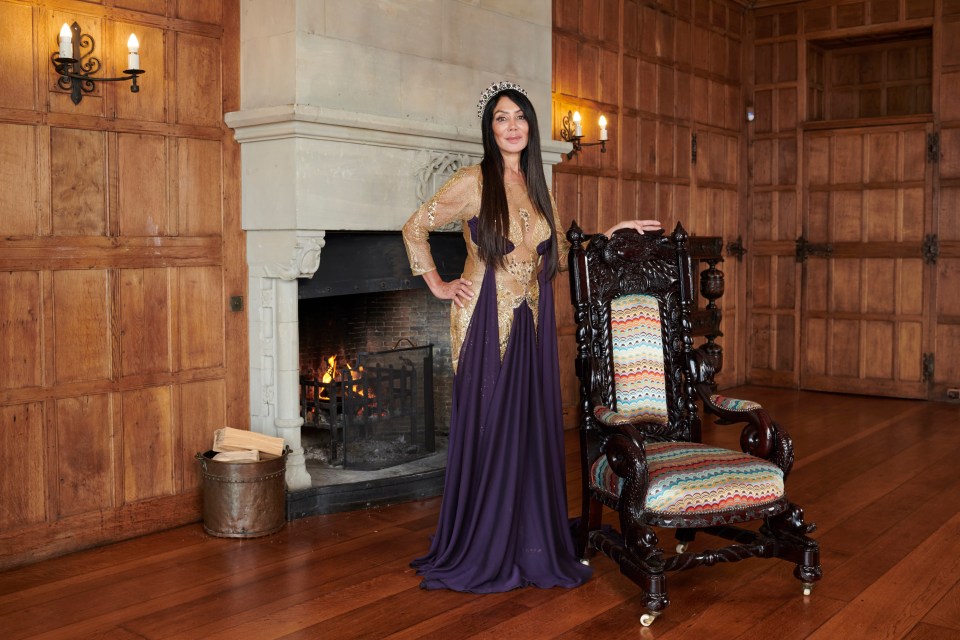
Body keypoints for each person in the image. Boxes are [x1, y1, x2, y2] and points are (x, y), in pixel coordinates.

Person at [402, 81, 661, 593]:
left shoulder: (538, 183)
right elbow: (415, 227)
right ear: (489, 128)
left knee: (527, 428)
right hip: (484, 322)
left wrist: (610, 233)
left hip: (533, 324)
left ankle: (527, 536)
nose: (512, 125)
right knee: (493, 428)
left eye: (520, 117)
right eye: (502, 118)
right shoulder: (473, 181)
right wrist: (437, 283)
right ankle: (484, 542)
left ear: (531, 126)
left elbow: (556, 248)